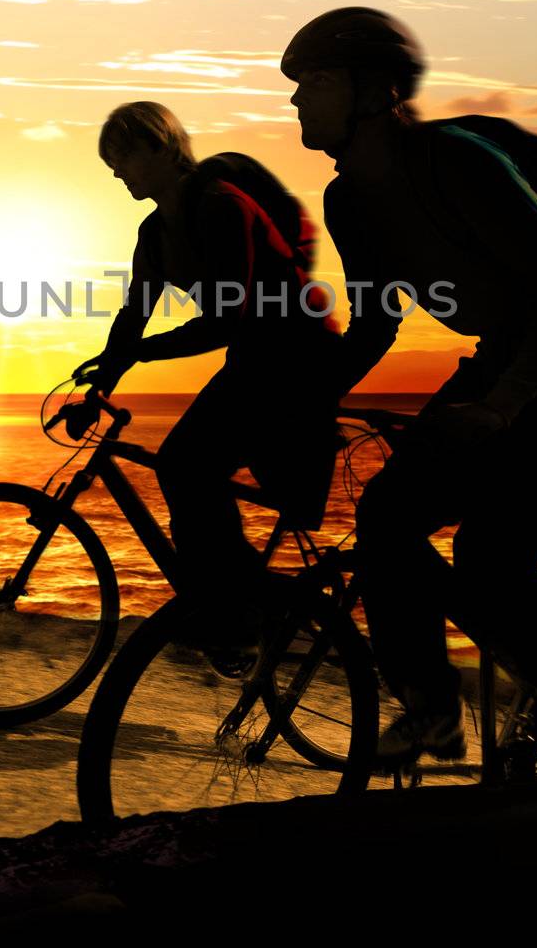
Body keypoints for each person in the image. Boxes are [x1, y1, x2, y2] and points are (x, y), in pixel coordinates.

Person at [279, 6, 537, 781]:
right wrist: (303, 401)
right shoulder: (348, 199)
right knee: (386, 514)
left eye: (313, 83)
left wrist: (500, 407)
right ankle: (430, 705)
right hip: (497, 366)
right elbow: (375, 324)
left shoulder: (458, 161)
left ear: (374, 92)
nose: (294, 101)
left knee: (488, 562)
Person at [75, 101, 341, 661]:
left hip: (299, 354)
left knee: (185, 465)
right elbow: (135, 313)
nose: (116, 172)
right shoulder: (154, 232)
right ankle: (234, 608)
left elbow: (227, 316)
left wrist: (142, 355)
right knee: (190, 470)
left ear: (157, 146)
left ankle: (241, 610)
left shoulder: (222, 206)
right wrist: (104, 374)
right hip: (256, 359)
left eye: (121, 158)